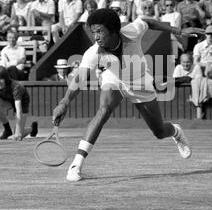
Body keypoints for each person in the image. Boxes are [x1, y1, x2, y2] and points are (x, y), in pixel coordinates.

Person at [52, 9, 191, 182]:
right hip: (114, 78)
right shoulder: (93, 53)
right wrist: (65, 101)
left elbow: (149, 21)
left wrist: (178, 31)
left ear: (113, 31)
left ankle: (176, 132)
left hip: (140, 82)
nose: (95, 36)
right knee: (103, 110)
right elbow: (80, 77)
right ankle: (76, 165)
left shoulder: (132, 32)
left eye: (100, 31)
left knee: (159, 131)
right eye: (93, 31)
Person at [0, 66, 38, 141]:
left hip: (22, 101)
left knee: (18, 134)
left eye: (1, 79)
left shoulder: (16, 86)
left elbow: (19, 110)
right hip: (7, 100)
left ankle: (32, 128)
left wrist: (18, 131)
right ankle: (7, 129)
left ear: (6, 79)